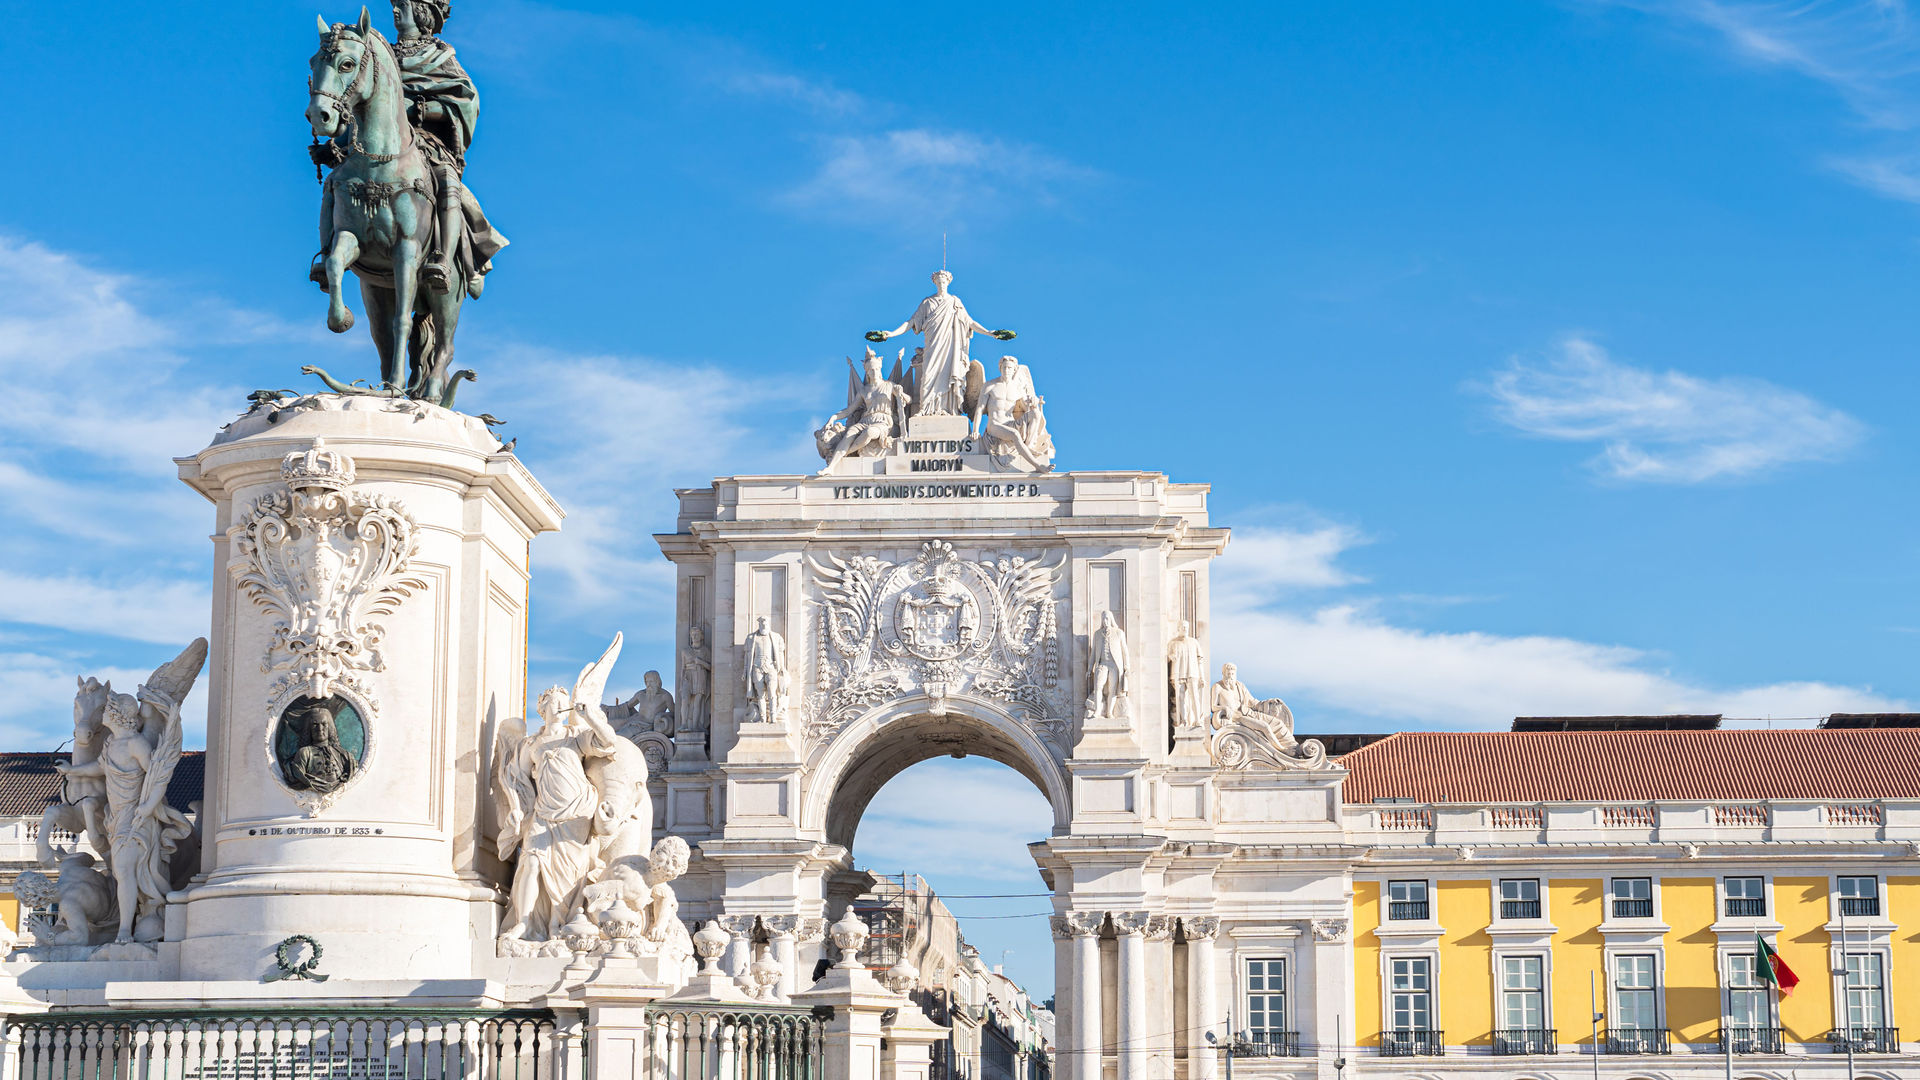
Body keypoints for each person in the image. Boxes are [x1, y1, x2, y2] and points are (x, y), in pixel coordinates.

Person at [866, 271, 1013, 416]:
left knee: (949, 375)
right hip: (933, 346)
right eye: (938, 282)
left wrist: (989, 332)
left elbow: (970, 322)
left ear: (948, 282)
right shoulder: (927, 303)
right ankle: (925, 409)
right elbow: (911, 322)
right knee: (928, 375)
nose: (941, 284)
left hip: (951, 348)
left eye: (943, 281)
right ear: (935, 283)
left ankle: (949, 410)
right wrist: (891, 333)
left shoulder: (955, 302)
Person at [978, 355, 1054, 471]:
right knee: (1014, 434)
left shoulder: (1017, 388)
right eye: (1004, 367)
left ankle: (1028, 447)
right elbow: (979, 408)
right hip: (994, 425)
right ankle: (1038, 466)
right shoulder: (990, 385)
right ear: (1000, 368)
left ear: (1014, 370)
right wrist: (974, 431)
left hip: (1009, 423)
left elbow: (1025, 407)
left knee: (1035, 414)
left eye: (1009, 368)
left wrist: (1032, 404)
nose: (1006, 370)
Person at [288, 701, 358, 794]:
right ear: (309, 728)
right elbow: (298, 774)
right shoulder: (304, 753)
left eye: (324, 724)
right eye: (315, 724)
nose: (320, 729)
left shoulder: (344, 755)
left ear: (330, 727)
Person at [743, 616, 789, 726]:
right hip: (757, 667)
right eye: (762, 623)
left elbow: (780, 654)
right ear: (759, 624)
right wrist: (745, 671)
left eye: (766, 623)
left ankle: (773, 716)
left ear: (768, 624)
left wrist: (782, 668)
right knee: (760, 694)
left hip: (771, 667)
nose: (764, 625)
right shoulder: (751, 638)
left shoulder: (776, 637)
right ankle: (763, 717)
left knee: (772, 693)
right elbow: (748, 656)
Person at [1086, 611, 1130, 720]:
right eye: (1103, 619)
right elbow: (1093, 653)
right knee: (1098, 687)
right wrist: (1089, 668)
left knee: (1113, 689)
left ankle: (1109, 712)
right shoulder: (1097, 634)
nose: (1105, 621)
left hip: (1114, 665)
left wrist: (1127, 667)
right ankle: (1097, 711)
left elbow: (1125, 651)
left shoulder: (1119, 633)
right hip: (1102, 664)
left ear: (1111, 619)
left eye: (1107, 619)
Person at [1167, 621, 1207, 730]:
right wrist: (1171, 656)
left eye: (1186, 627)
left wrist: (1202, 676)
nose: (1185, 629)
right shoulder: (1173, 643)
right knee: (1180, 698)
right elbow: (1167, 657)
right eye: (1183, 627)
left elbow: (1200, 660)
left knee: (1195, 697)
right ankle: (1183, 721)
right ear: (1178, 628)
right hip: (1178, 673)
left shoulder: (1193, 642)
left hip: (1192, 672)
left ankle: (1197, 720)